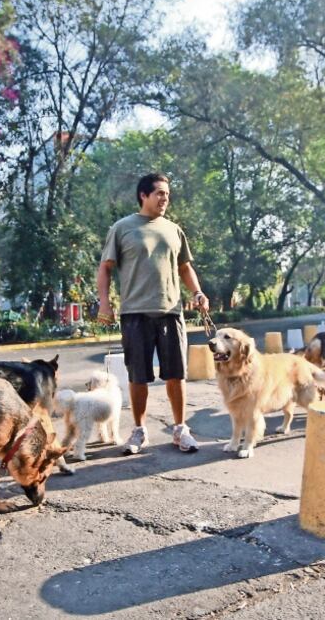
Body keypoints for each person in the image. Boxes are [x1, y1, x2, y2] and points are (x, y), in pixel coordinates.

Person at [96, 172, 210, 454]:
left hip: (171, 310)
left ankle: (180, 429)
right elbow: (105, 268)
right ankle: (139, 431)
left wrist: (197, 292)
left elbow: (185, 267)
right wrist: (104, 303)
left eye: (167, 195)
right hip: (135, 312)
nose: (164, 199)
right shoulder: (122, 228)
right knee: (138, 376)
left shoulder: (173, 229)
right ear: (143, 195)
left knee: (176, 374)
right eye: (159, 193)